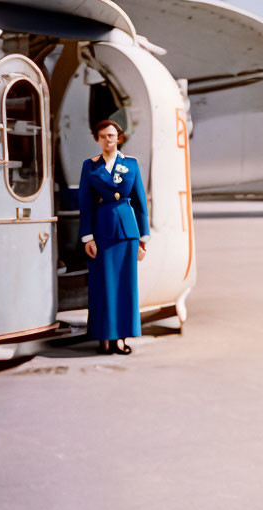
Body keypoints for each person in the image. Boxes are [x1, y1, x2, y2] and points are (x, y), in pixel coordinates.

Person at [78, 119, 150, 354]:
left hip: (127, 232)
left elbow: (140, 203)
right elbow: (86, 204)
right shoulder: (90, 166)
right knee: (103, 285)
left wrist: (143, 238)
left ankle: (121, 337)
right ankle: (104, 337)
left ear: (118, 138)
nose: (108, 140)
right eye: (104, 136)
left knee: (125, 286)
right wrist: (88, 237)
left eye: (112, 136)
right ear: (96, 139)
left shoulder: (131, 164)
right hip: (102, 231)